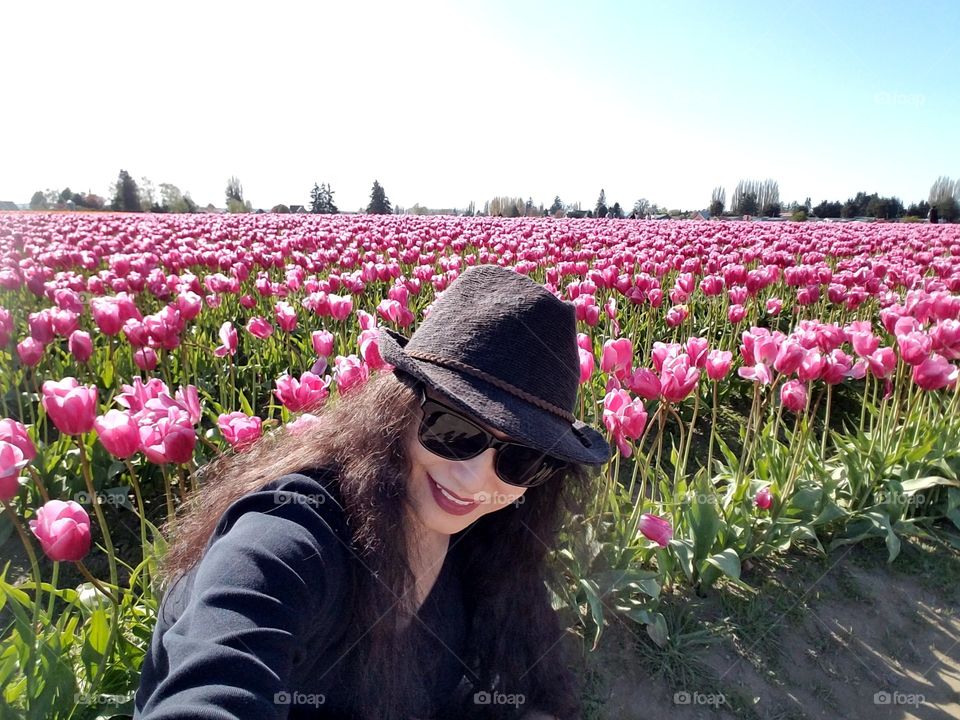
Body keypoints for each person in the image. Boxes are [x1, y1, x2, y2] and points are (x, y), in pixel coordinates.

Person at [133, 264, 612, 720]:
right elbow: (217, 681)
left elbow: (530, 683)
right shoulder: (288, 538)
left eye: (522, 460)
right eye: (453, 430)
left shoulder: (490, 539)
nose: (474, 479)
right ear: (399, 407)